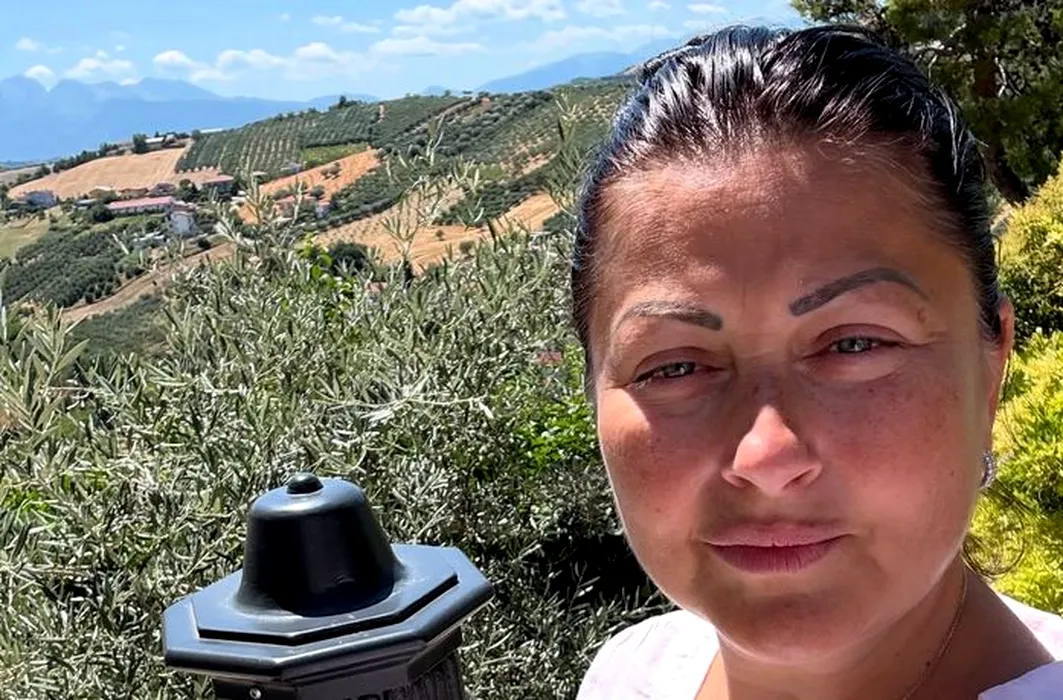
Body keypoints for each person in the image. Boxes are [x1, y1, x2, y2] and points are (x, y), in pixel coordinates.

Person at [571, 24, 1063, 700]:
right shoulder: (630, 674)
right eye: (675, 367)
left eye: (854, 344)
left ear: (991, 366)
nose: (766, 457)